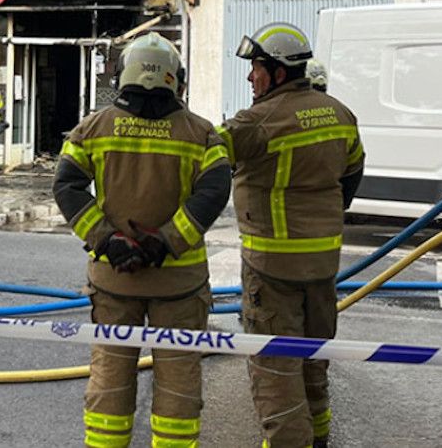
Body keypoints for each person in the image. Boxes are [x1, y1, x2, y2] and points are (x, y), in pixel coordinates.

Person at [54, 33, 231, 448]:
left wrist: (109, 242)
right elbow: (213, 194)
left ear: (123, 76)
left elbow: (67, 187)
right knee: (179, 380)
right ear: (176, 80)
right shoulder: (201, 134)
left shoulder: (92, 129)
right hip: (180, 287)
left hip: (115, 281)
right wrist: (165, 243)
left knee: (111, 376)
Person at [218, 22, 363, 448]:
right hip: (322, 267)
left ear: (279, 72)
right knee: (314, 363)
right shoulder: (339, 113)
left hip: (272, 270)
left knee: (276, 375)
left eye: (256, 68)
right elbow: (353, 172)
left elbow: (201, 158)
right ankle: (319, 438)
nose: (250, 77)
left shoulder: (255, 122)